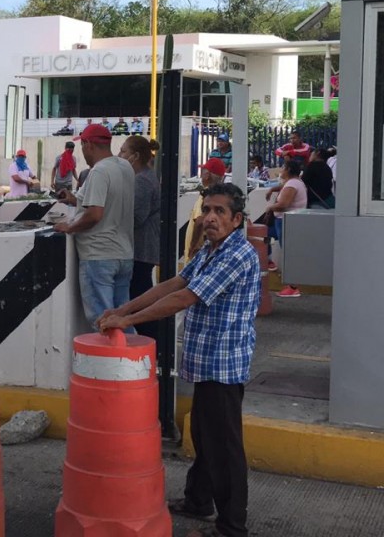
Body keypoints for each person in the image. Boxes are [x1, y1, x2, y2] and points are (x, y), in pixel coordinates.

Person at [97, 182, 259, 537]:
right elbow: (171, 284)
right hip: (207, 361)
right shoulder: (210, 251)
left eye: (219, 212)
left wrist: (129, 321)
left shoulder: (237, 255)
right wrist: (122, 308)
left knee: (224, 447)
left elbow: (185, 297)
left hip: (223, 364)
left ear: (236, 219)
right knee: (204, 434)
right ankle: (199, 500)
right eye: (207, 210)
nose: (210, 218)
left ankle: (232, 527)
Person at [53, 123, 135, 328]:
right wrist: (73, 199)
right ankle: (132, 359)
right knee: (121, 319)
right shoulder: (125, 167)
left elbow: (95, 214)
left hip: (98, 255)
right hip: (124, 254)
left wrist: (69, 227)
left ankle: (112, 360)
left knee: (104, 322)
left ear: (88, 144)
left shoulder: (98, 172)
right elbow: (107, 201)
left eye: (82, 146)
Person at [119, 135, 161, 341]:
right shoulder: (145, 177)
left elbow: (136, 217)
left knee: (140, 299)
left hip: (141, 250)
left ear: (135, 156)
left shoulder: (142, 181)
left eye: (123, 152)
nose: (120, 156)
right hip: (143, 249)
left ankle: (153, 343)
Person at [265, 160, 307, 298]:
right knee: (265, 236)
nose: (281, 169)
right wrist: (272, 189)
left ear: (288, 169)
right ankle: (269, 261)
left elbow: (284, 204)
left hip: (285, 221)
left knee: (289, 253)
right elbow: (283, 187)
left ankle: (293, 286)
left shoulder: (293, 184)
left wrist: (270, 207)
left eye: (283, 167)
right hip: (283, 221)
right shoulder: (294, 182)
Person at [184, 158, 226, 263]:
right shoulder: (221, 196)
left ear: (207, 175)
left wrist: (192, 247)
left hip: (199, 253)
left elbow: (199, 221)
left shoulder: (206, 196)